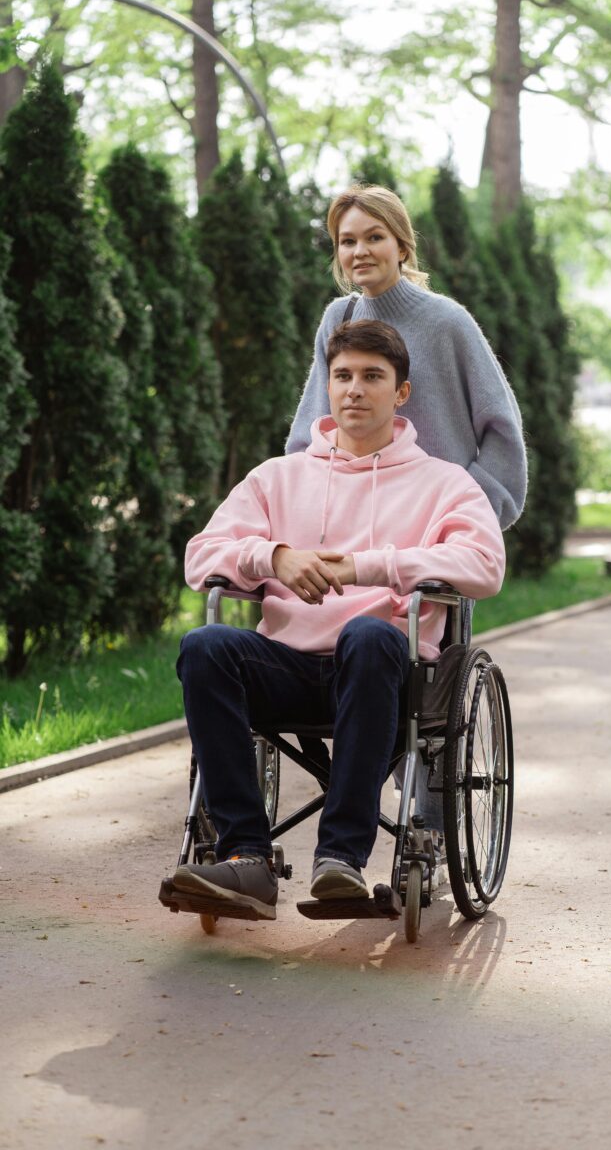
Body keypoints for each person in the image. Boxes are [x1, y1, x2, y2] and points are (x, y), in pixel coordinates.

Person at [165, 320, 505, 921]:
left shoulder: (444, 484)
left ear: (401, 393)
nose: (354, 389)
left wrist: (364, 568)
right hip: (289, 665)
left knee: (369, 633)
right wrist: (274, 557)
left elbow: (483, 565)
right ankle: (246, 857)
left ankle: (340, 860)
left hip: (381, 671)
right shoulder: (278, 477)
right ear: (328, 385)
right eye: (342, 376)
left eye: (372, 377)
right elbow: (201, 556)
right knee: (205, 645)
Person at [285, 183, 527, 530]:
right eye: (348, 241)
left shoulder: (448, 322)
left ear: (401, 246)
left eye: (375, 237)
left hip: (434, 526)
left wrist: (473, 508)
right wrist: (303, 507)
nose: (360, 251)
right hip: (352, 524)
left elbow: (502, 425)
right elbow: (311, 428)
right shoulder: (339, 318)